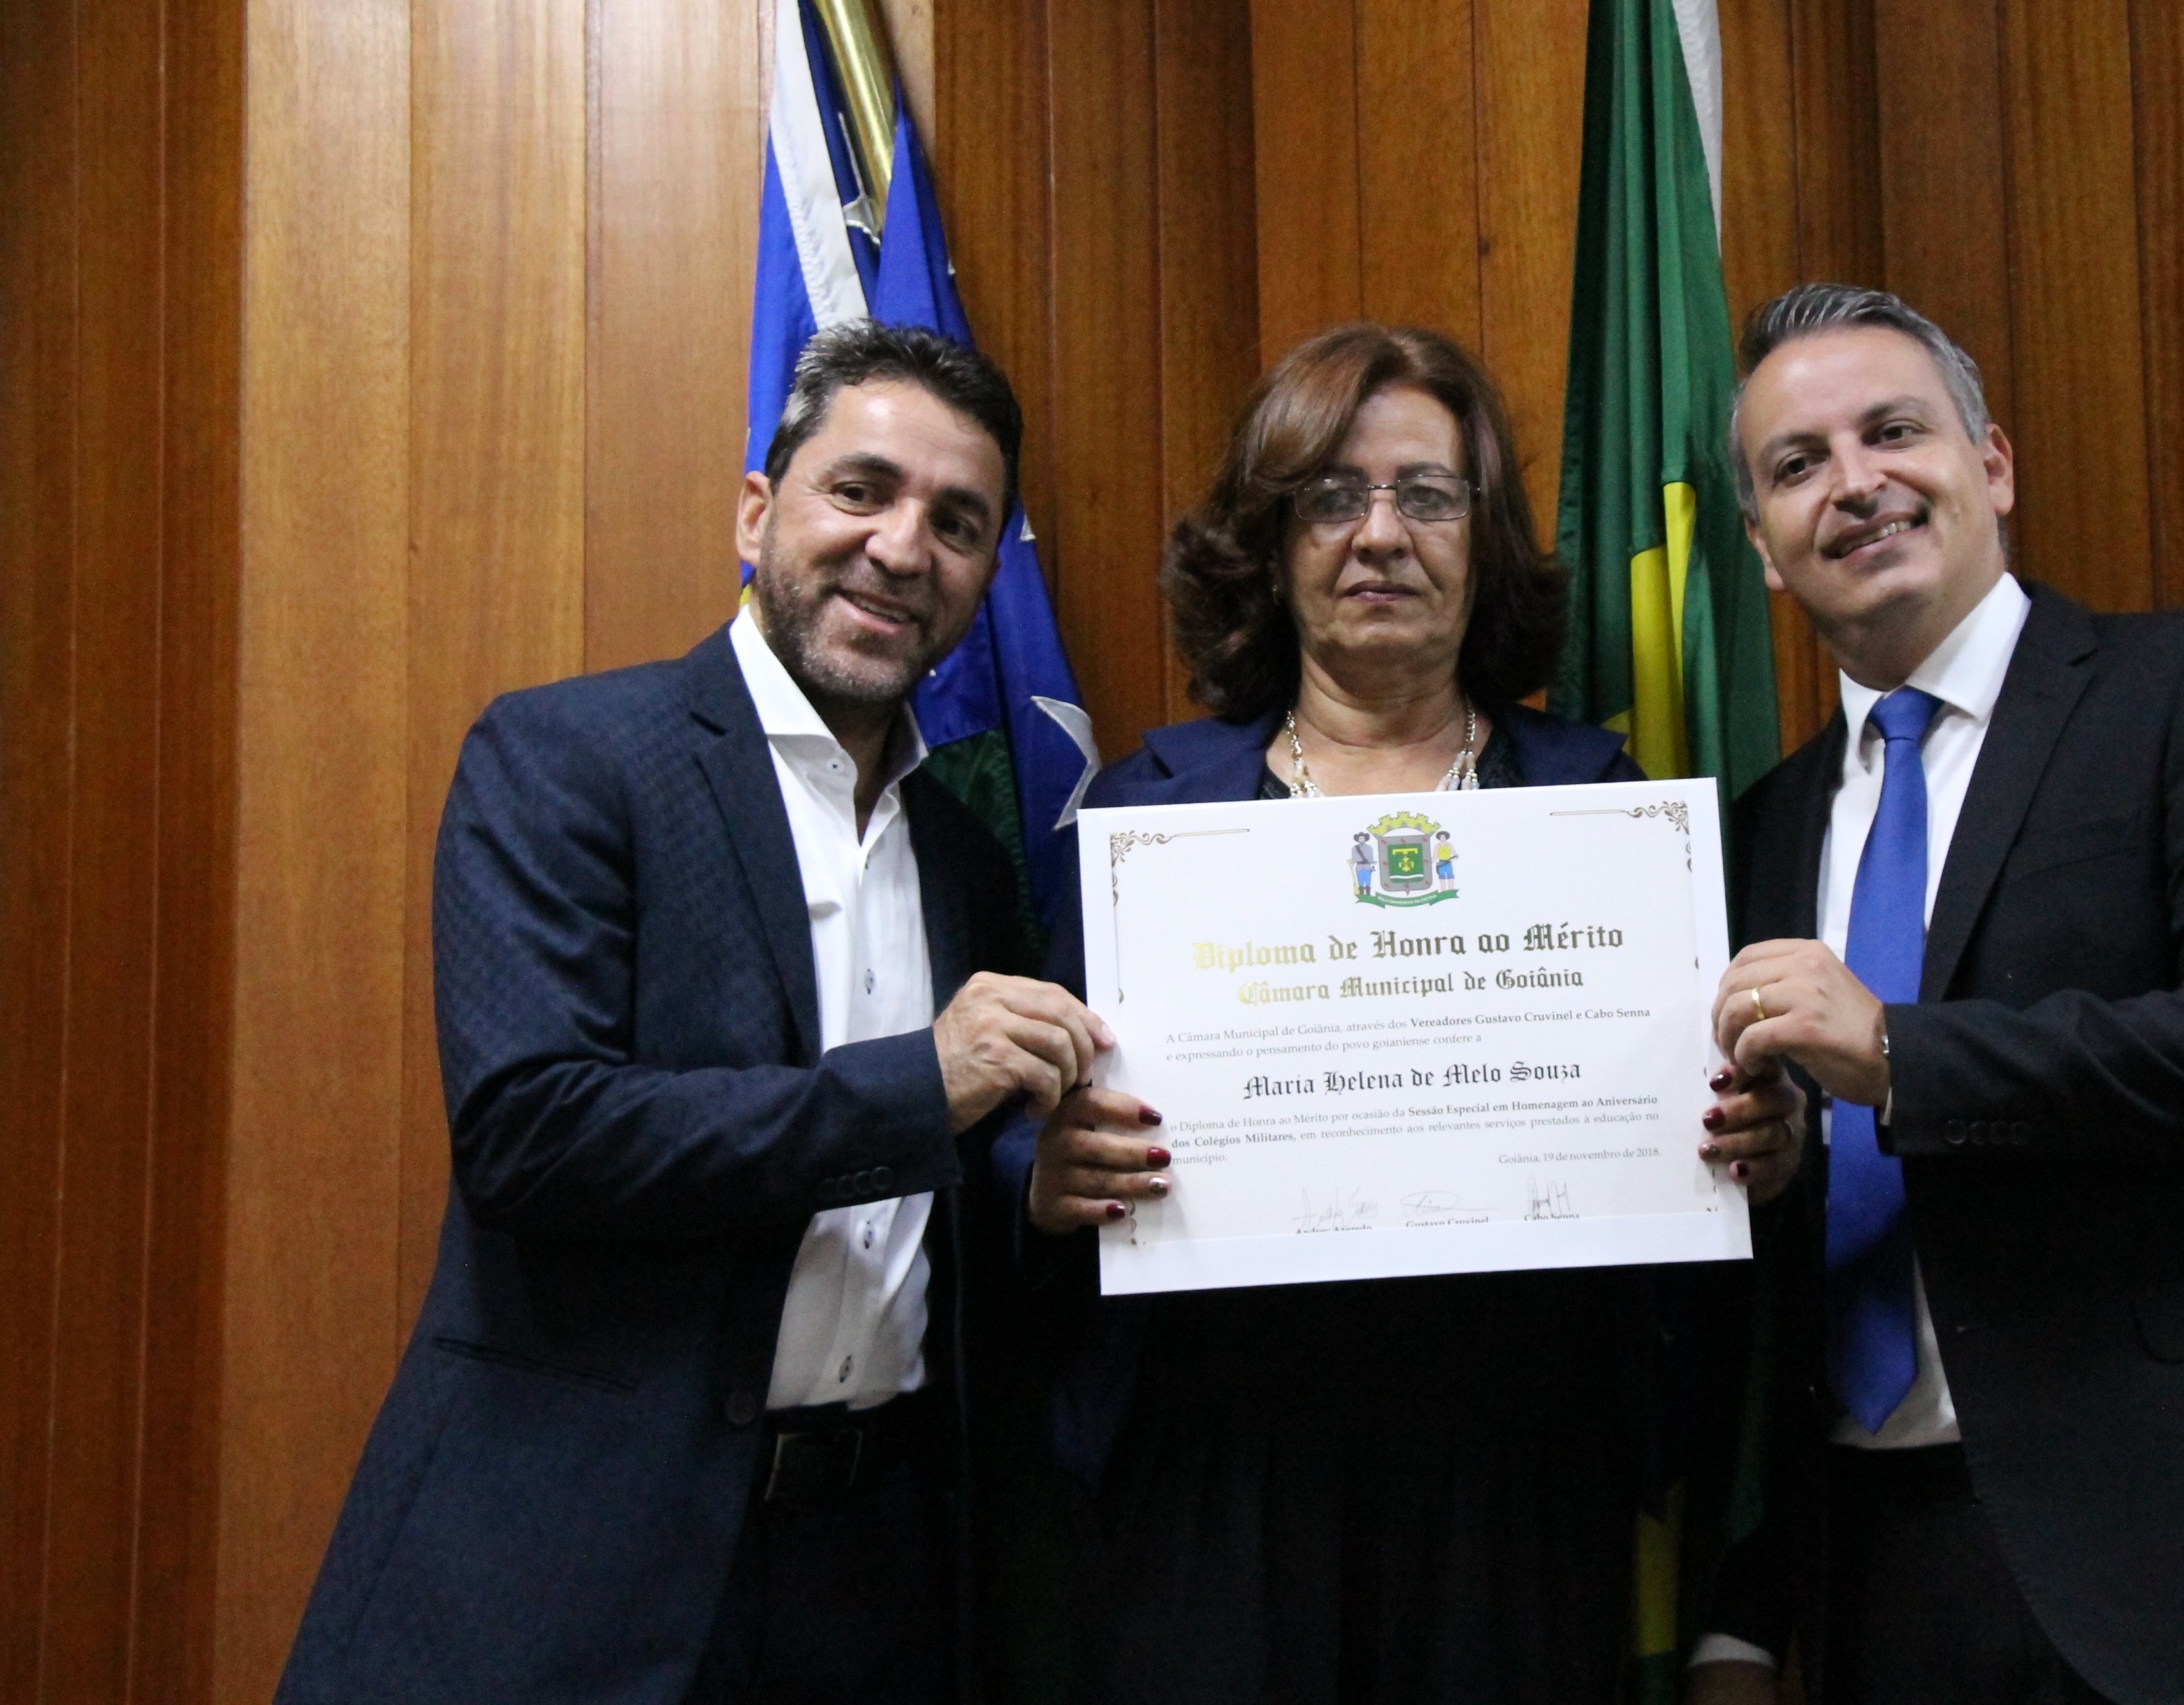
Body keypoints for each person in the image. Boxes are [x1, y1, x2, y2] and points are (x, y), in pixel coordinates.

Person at [1683, 285, 2184, 1705]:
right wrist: (1785, 1156)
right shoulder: (1753, 831)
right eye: (1798, 464)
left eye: (1892, 432)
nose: (1855, 482)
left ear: (1991, 464)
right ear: (1762, 545)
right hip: (1889, 1572)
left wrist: (1902, 1053)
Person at [277, 323, 1107, 1705]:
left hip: (881, 1579)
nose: (903, 548)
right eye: (861, 491)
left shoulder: (967, 859)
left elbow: (946, 1199)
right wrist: (922, 1082)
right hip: (580, 1572)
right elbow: (533, 1134)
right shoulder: (568, 758)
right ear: (756, 513)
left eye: (958, 523)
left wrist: (1031, 1194)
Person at [1006, 323, 1776, 1704]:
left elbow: (1698, 1145)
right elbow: (1026, 1136)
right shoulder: (1144, 818)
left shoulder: (1602, 809)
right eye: (1329, 497)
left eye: (1427, 494)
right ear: (1271, 542)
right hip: (1218, 1476)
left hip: (1515, 1476)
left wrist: (1744, 1142)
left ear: (1483, 542)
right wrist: (1048, 1179)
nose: (1379, 534)